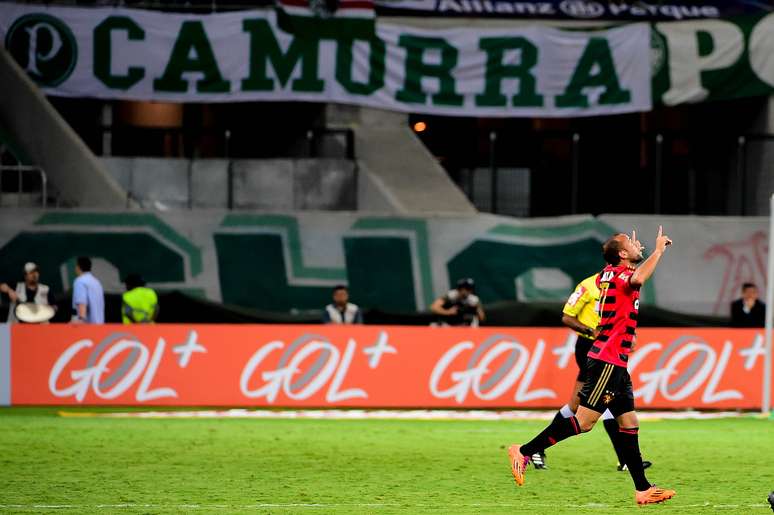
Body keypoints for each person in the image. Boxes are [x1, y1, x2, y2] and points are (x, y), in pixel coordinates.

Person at [508, 227, 676, 506]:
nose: (637, 245)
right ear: (622, 255)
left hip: (615, 361)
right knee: (585, 422)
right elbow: (638, 277)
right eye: (630, 245)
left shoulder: (605, 274)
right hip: (607, 359)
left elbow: (623, 270)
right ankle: (524, 451)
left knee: (628, 422)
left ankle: (643, 489)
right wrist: (657, 250)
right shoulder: (624, 275)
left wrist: (629, 250)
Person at [530, 272, 652, 472]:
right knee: (606, 404)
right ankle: (625, 460)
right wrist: (591, 332)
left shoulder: (620, 282)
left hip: (611, 347)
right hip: (591, 347)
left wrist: (631, 335)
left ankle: (536, 449)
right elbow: (567, 317)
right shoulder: (588, 285)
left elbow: (622, 313)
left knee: (578, 405)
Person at [72, 256, 105, 324]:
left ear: (78, 267)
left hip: (87, 328)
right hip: (100, 326)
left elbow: (82, 304)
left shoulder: (80, 281)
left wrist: (80, 319)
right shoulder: (97, 282)